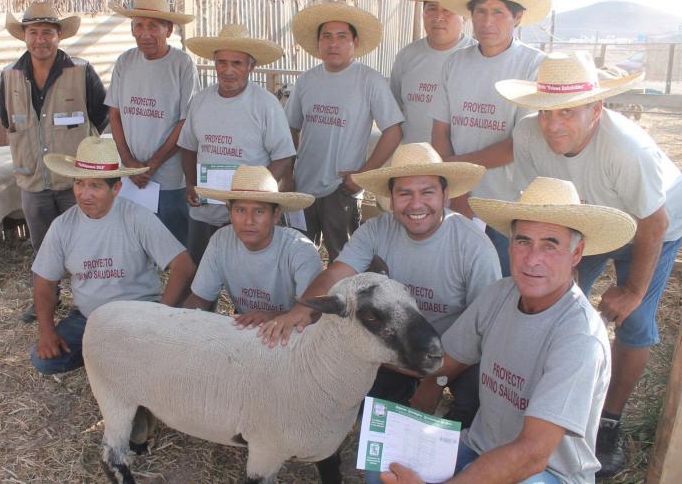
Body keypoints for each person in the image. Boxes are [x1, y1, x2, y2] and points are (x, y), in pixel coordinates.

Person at [383, 177, 636, 484]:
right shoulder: (500, 294)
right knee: (385, 466)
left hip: (546, 473)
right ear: (510, 244)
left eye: (550, 244)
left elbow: (533, 454)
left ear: (577, 252)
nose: (532, 259)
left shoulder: (579, 338)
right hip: (481, 447)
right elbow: (450, 357)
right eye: (523, 241)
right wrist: (429, 390)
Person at [501, 51, 682, 476]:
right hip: (589, 220)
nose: (554, 124)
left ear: (596, 109)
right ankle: (543, 403)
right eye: (546, 112)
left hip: (654, 224)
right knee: (555, 303)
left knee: (634, 321)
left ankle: (608, 422)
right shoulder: (527, 136)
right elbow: (544, 208)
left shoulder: (626, 150)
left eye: (568, 111)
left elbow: (653, 224)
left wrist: (633, 290)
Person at [251, 144, 499, 428]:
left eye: (427, 192)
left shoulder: (474, 246)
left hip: (455, 353)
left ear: (445, 195)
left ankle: (458, 450)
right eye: (405, 193)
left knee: (476, 400)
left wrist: (436, 382)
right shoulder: (376, 230)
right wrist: (300, 311)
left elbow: (482, 329)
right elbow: (338, 274)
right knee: (367, 406)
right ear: (391, 199)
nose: (416, 204)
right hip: (395, 347)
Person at [29, 136, 196, 375]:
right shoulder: (62, 226)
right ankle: (110, 356)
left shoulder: (136, 217)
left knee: (158, 363)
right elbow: (44, 281)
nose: (84, 194)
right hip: (90, 319)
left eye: (95, 186)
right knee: (44, 361)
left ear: (116, 188)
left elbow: (184, 265)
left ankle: (115, 357)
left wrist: (160, 314)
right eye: (79, 183)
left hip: (139, 316)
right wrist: (46, 331)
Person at [429, 0, 551, 275]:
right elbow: (440, 130)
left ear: (518, 17)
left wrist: (459, 174)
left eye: (498, 11)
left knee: (508, 282)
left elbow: (520, 144)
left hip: (510, 202)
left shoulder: (534, 65)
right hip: (459, 198)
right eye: (480, 11)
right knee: (458, 278)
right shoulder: (455, 63)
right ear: (470, 15)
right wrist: (455, 187)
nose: (487, 21)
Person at [0, 1, 109, 322]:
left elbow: (102, 119)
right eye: (34, 32)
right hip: (32, 183)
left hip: (74, 183)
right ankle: (46, 302)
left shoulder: (81, 71)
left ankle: (87, 304)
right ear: (24, 36)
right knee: (42, 248)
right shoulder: (9, 77)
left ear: (59, 35)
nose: (40, 40)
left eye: (47, 32)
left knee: (84, 245)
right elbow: (8, 122)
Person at [286, 1, 404, 261]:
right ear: (318, 44)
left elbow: (393, 131)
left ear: (355, 42)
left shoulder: (368, 80)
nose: (333, 43)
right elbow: (291, 128)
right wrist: (289, 174)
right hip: (303, 186)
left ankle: (346, 302)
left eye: (342, 37)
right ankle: (307, 301)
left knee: (345, 258)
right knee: (299, 254)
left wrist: (363, 174)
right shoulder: (306, 80)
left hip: (342, 188)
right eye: (326, 37)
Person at [179, 24, 296, 264]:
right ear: (214, 63)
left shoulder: (265, 104)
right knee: (201, 270)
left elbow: (284, 155)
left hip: (248, 216)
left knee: (246, 276)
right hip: (205, 210)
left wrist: (255, 194)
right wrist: (191, 183)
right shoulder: (200, 101)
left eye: (237, 63)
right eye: (222, 62)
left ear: (251, 66)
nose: (228, 70)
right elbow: (189, 147)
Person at [106, 0, 199, 245]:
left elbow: (186, 122)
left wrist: (154, 163)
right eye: (139, 26)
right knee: (135, 241)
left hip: (168, 176)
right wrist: (127, 161)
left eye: (153, 26)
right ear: (132, 30)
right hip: (132, 174)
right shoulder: (125, 61)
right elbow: (114, 113)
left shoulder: (182, 65)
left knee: (175, 242)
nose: (145, 34)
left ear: (168, 30)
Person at [182, 165, 322, 324]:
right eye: (240, 210)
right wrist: (183, 322)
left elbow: (314, 314)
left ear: (275, 215)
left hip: (291, 337)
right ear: (230, 212)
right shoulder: (220, 241)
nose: (249, 221)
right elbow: (200, 298)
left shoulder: (300, 250)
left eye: (259, 211)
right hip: (245, 332)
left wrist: (273, 317)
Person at [392, 0, 476, 144]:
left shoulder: (478, 57)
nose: (438, 17)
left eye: (448, 10)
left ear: (465, 17)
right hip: (413, 161)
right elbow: (395, 107)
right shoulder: (407, 56)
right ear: (423, 13)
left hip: (459, 163)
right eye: (432, 9)